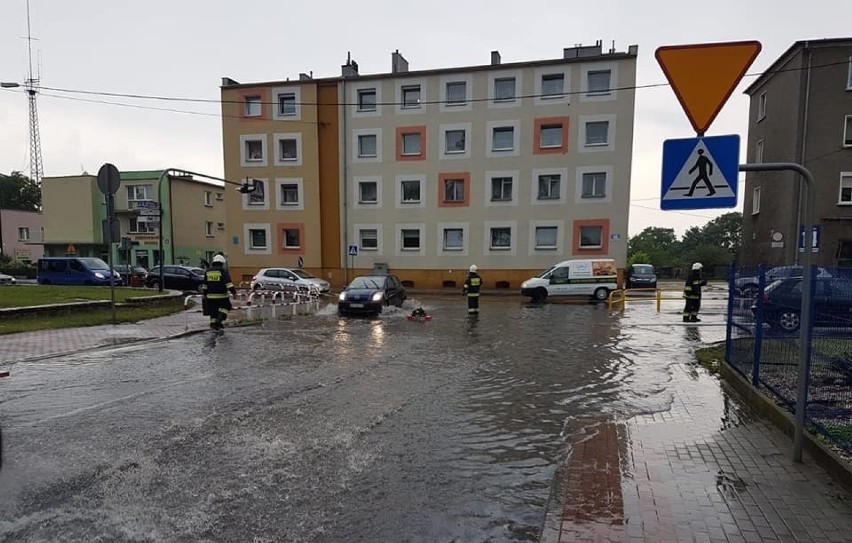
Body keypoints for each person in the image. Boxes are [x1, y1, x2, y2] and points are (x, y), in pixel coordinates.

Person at [202, 254, 237, 330]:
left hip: (210, 296)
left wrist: (205, 294)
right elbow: (228, 283)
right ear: (222, 262)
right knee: (227, 306)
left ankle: (213, 324)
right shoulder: (222, 271)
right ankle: (219, 320)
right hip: (222, 295)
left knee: (213, 311)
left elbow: (204, 285)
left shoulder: (208, 271)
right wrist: (233, 292)